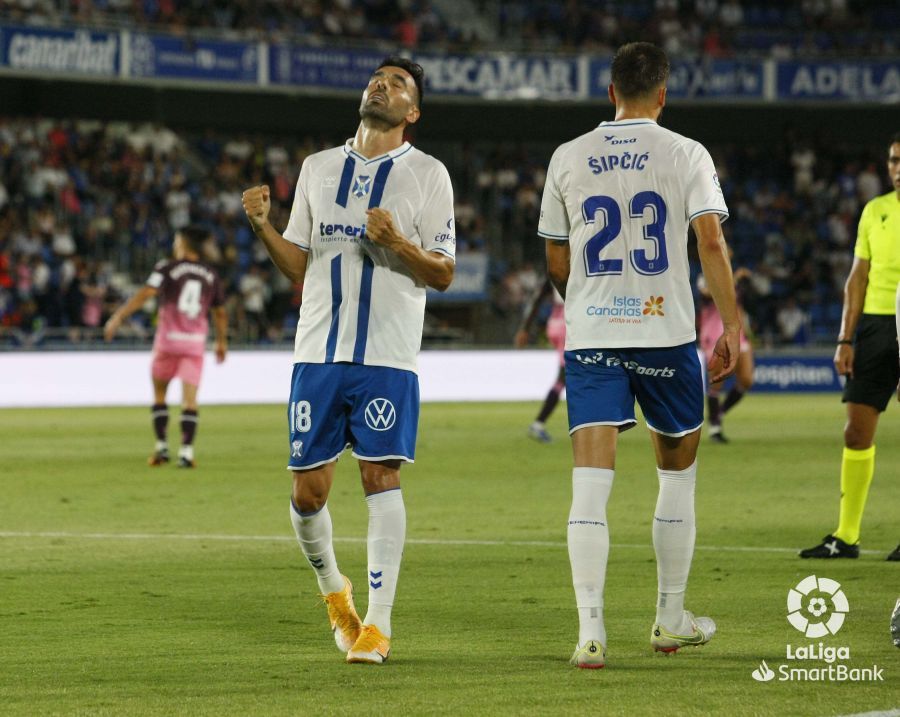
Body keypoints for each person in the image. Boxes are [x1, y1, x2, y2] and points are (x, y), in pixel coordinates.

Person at [241, 56, 455, 665]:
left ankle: (379, 626)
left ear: (412, 112)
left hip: (387, 354)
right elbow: (300, 266)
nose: (380, 86)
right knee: (308, 493)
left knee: (379, 477)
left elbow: (442, 272)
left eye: (396, 84)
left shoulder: (429, 175)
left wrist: (397, 243)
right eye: (376, 79)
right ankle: (336, 594)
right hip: (318, 352)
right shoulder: (317, 168)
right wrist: (264, 227)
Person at [538, 42, 741, 668]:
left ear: (610, 92)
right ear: (662, 94)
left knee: (590, 486)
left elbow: (555, 258)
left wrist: (593, 303)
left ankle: (590, 634)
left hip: (595, 337)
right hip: (667, 335)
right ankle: (669, 617)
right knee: (676, 475)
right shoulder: (687, 153)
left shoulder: (568, 155)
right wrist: (730, 325)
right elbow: (709, 241)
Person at [800, 133, 900, 563]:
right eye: (894, 159)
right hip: (876, 327)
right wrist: (845, 336)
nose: (898, 167)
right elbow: (857, 277)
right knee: (856, 432)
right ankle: (846, 536)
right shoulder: (874, 211)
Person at [104, 225, 227, 468]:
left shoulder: (167, 267)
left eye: (175, 241)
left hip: (168, 341)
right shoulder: (211, 274)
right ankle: (187, 453)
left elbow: (147, 292)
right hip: (193, 344)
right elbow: (220, 313)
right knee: (190, 400)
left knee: (160, 395)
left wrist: (119, 316)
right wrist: (222, 341)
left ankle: (161, 448)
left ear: (182, 243)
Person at [697, 266, 754, 443]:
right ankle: (715, 428)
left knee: (746, 380)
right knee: (717, 383)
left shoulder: (735, 279)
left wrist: (747, 329)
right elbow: (707, 295)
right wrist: (735, 278)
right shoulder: (705, 276)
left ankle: (719, 412)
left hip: (737, 334)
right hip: (714, 334)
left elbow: (741, 305)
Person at [515, 278, 566, 443]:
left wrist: (525, 328)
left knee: (571, 376)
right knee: (565, 377)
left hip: (555, 322)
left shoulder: (555, 266)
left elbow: (538, 299)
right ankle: (538, 425)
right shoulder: (582, 262)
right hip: (569, 323)